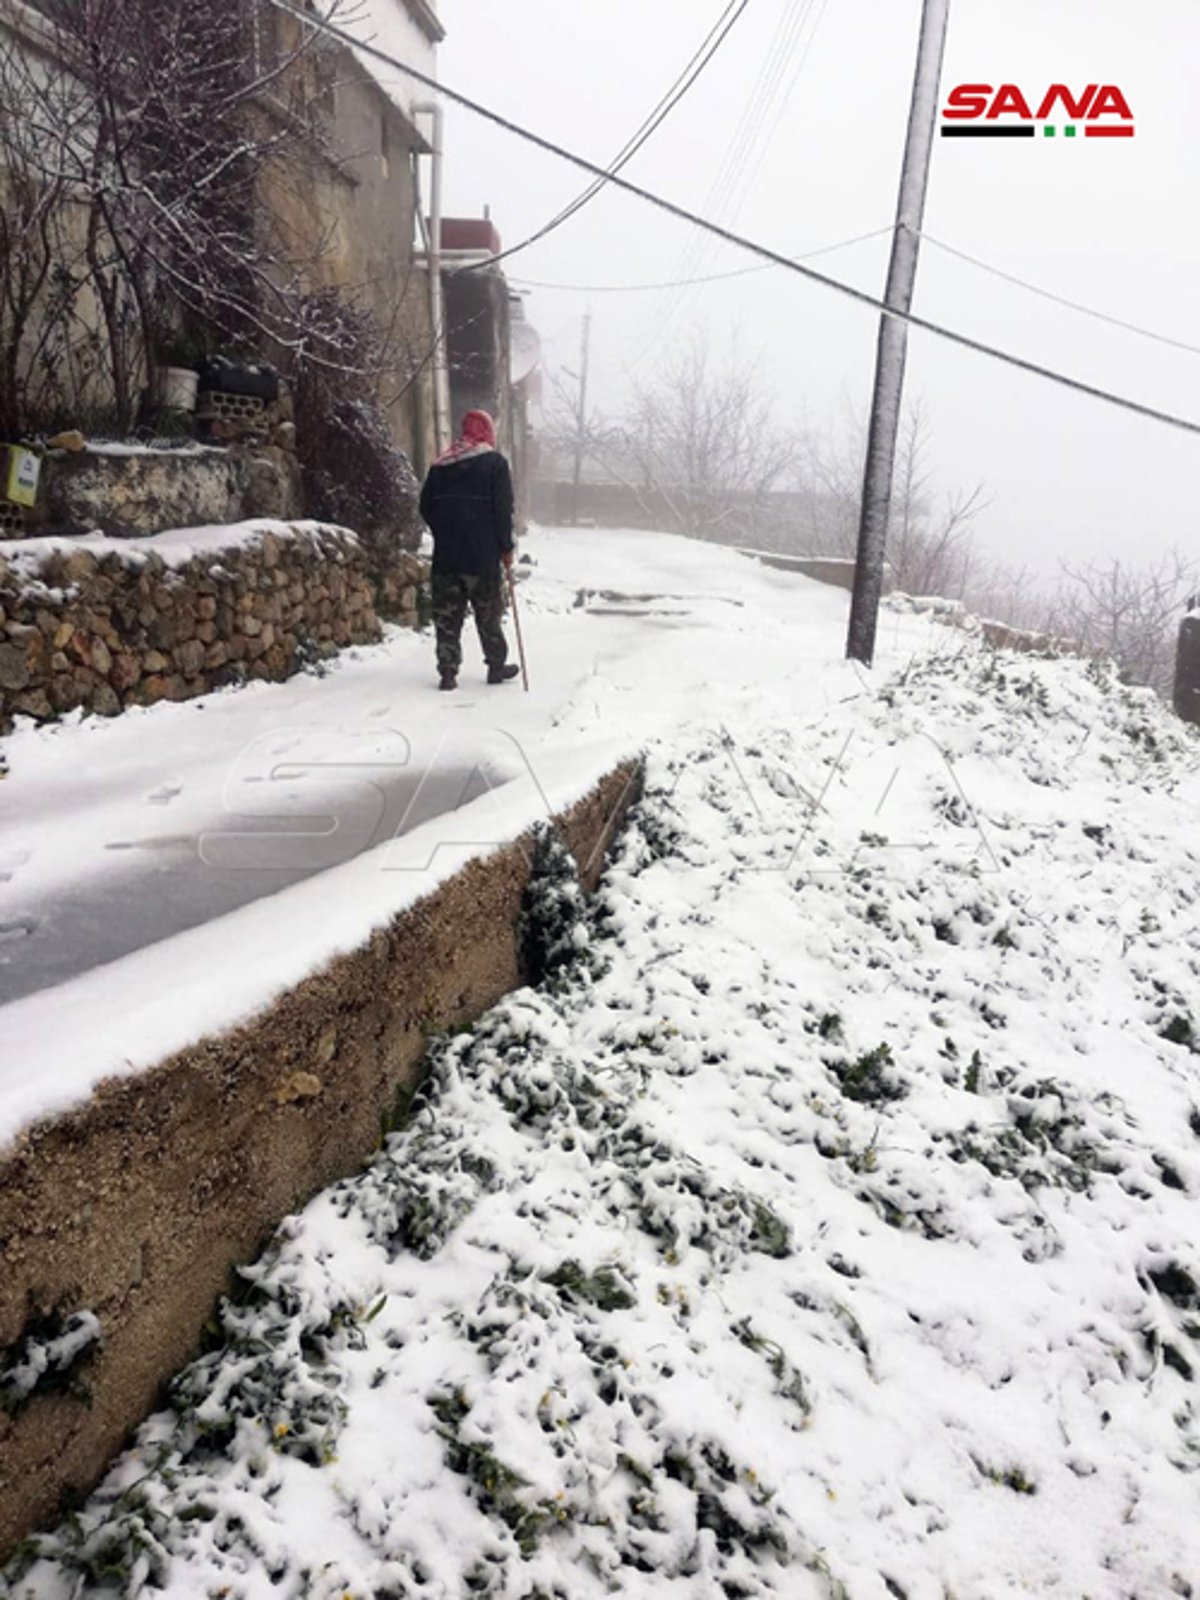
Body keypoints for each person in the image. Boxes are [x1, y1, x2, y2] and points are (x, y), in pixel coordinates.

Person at [419, 409, 520, 691]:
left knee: (447, 617)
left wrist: (444, 529)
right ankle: (496, 666)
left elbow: (425, 506)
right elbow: (503, 510)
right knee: (488, 614)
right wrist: (506, 547)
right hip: (482, 557)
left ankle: (448, 671)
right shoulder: (495, 464)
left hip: (447, 558)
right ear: (487, 431)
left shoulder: (440, 465)